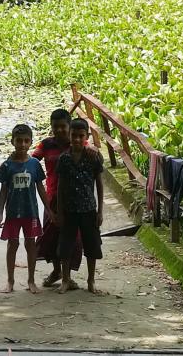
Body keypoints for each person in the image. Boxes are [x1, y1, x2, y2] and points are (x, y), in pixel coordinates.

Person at [0, 124, 52, 294]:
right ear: (12, 141)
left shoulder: (35, 164)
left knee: (30, 244)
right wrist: (0, 213)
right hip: (13, 212)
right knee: (12, 245)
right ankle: (10, 281)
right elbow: (3, 190)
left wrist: (49, 209)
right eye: (18, 140)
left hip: (30, 212)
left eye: (26, 141)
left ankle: (31, 280)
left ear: (31, 143)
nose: (22, 144)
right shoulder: (7, 165)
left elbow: (41, 188)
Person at [33, 108, 83, 288]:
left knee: (71, 238)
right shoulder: (45, 145)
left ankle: (67, 276)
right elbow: (32, 160)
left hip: (74, 198)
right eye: (56, 127)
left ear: (69, 126)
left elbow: (92, 160)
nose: (60, 130)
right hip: (52, 197)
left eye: (63, 126)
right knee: (51, 236)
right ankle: (57, 271)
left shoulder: (78, 144)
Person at [56, 118, 105, 295]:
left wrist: (100, 210)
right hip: (69, 210)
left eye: (80, 136)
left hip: (88, 209)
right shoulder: (64, 159)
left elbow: (99, 184)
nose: (76, 139)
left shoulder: (93, 157)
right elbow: (60, 186)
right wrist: (59, 211)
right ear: (69, 135)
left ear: (86, 136)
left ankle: (91, 280)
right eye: (74, 136)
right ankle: (65, 279)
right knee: (66, 246)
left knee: (92, 246)